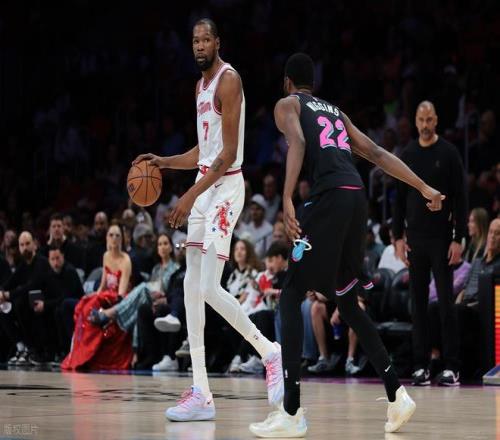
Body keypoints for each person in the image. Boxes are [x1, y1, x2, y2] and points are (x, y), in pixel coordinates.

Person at [250, 53, 444, 437]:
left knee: (290, 295)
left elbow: (298, 141)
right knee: (347, 301)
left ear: (287, 82)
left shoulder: (287, 104)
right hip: (356, 196)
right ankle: (397, 395)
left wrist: (286, 196)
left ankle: (291, 412)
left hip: (330, 198)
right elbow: (377, 154)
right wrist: (423, 186)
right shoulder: (336, 112)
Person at [133, 18, 283, 422]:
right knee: (190, 286)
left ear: (218, 42)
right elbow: (204, 151)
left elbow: (227, 154)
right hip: (205, 184)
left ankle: (269, 351)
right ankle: (201, 390)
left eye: (205, 40)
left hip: (226, 187)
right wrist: (164, 162)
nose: (199, 46)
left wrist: (188, 196)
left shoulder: (228, 81)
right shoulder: (199, 87)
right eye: (195, 40)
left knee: (211, 288)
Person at [393, 101, 467, 387]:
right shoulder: (408, 154)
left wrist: (458, 238)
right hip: (415, 239)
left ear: (436, 120)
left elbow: (461, 199)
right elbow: (399, 200)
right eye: (421, 120)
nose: (425, 125)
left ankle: (452, 366)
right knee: (419, 305)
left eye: (429, 120)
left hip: (441, 238)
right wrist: (398, 237)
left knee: (446, 303)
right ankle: (420, 365)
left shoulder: (448, 153)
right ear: (415, 121)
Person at [87, 234, 179, 361]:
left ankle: (110, 313)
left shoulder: (176, 268)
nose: (162, 247)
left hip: (163, 300)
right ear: (157, 249)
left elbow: (173, 291)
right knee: (139, 305)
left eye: (165, 244)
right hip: (150, 298)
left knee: (142, 287)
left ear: (171, 247)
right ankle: (135, 353)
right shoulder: (156, 269)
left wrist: (163, 297)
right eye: (159, 244)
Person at [61, 224, 133, 370]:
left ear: (122, 239)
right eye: (111, 235)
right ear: (106, 238)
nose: (114, 238)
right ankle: (80, 354)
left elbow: (121, 292)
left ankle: (86, 354)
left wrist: (101, 299)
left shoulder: (126, 260)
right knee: (84, 305)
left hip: (119, 298)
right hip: (105, 295)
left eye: (117, 235)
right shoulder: (105, 256)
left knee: (90, 308)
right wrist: (93, 295)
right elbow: (102, 285)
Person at [0, 232, 62, 365]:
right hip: (30, 304)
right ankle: (22, 347)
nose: (25, 248)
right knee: (4, 311)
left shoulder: (41, 262)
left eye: (27, 244)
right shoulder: (23, 264)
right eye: (22, 245)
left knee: (20, 303)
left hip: (47, 304)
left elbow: (31, 286)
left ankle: (37, 350)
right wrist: (1, 292)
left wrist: (8, 295)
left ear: (34, 244)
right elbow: (11, 282)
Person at [49, 245, 85, 363]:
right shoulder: (50, 274)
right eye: (52, 259)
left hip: (77, 306)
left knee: (62, 307)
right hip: (61, 305)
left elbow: (66, 296)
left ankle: (71, 348)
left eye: (58, 258)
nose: (55, 263)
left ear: (63, 257)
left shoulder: (69, 271)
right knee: (54, 311)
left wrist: (46, 304)